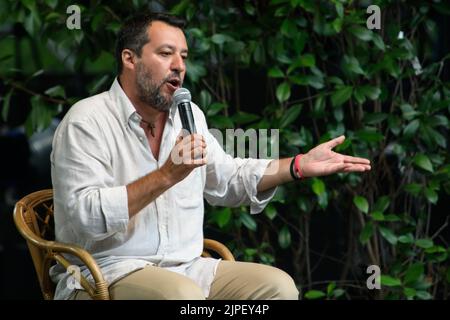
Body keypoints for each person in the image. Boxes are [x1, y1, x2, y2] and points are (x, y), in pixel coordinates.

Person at [50, 12, 371, 300]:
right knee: (181, 297)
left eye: (184, 56)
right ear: (129, 58)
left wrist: (297, 166)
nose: (179, 65)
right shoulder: (86, 121)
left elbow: (227, 178)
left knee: (278, 287)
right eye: (166, 53)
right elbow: (84, 216)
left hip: (189, 269)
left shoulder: (189, 117)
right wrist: (165, 176)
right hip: (106, 274)